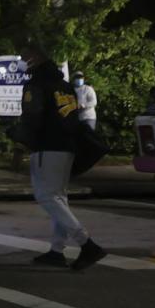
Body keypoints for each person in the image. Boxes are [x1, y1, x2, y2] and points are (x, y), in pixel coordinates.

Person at [16, 44, 106, 271]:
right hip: (67, 146)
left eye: (24, 57)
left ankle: (87, 244)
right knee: (58, 198)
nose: (22, 61)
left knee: (47, 197)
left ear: (35, 58)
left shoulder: (37, 84)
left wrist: (21, 137)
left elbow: (32, 117)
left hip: (47, 145)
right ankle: (57, 250)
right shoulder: (63, 85)